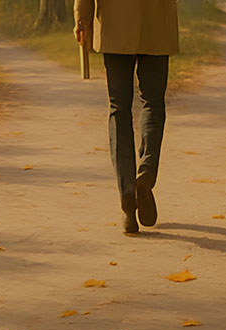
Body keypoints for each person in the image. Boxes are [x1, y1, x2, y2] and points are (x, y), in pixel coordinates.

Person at [76, 0, 179, 234]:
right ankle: (146, 174)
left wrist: (82, 19)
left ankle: (126, 191)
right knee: (153, 103)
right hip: (157, 24)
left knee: (119, 109)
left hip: (115, 25)